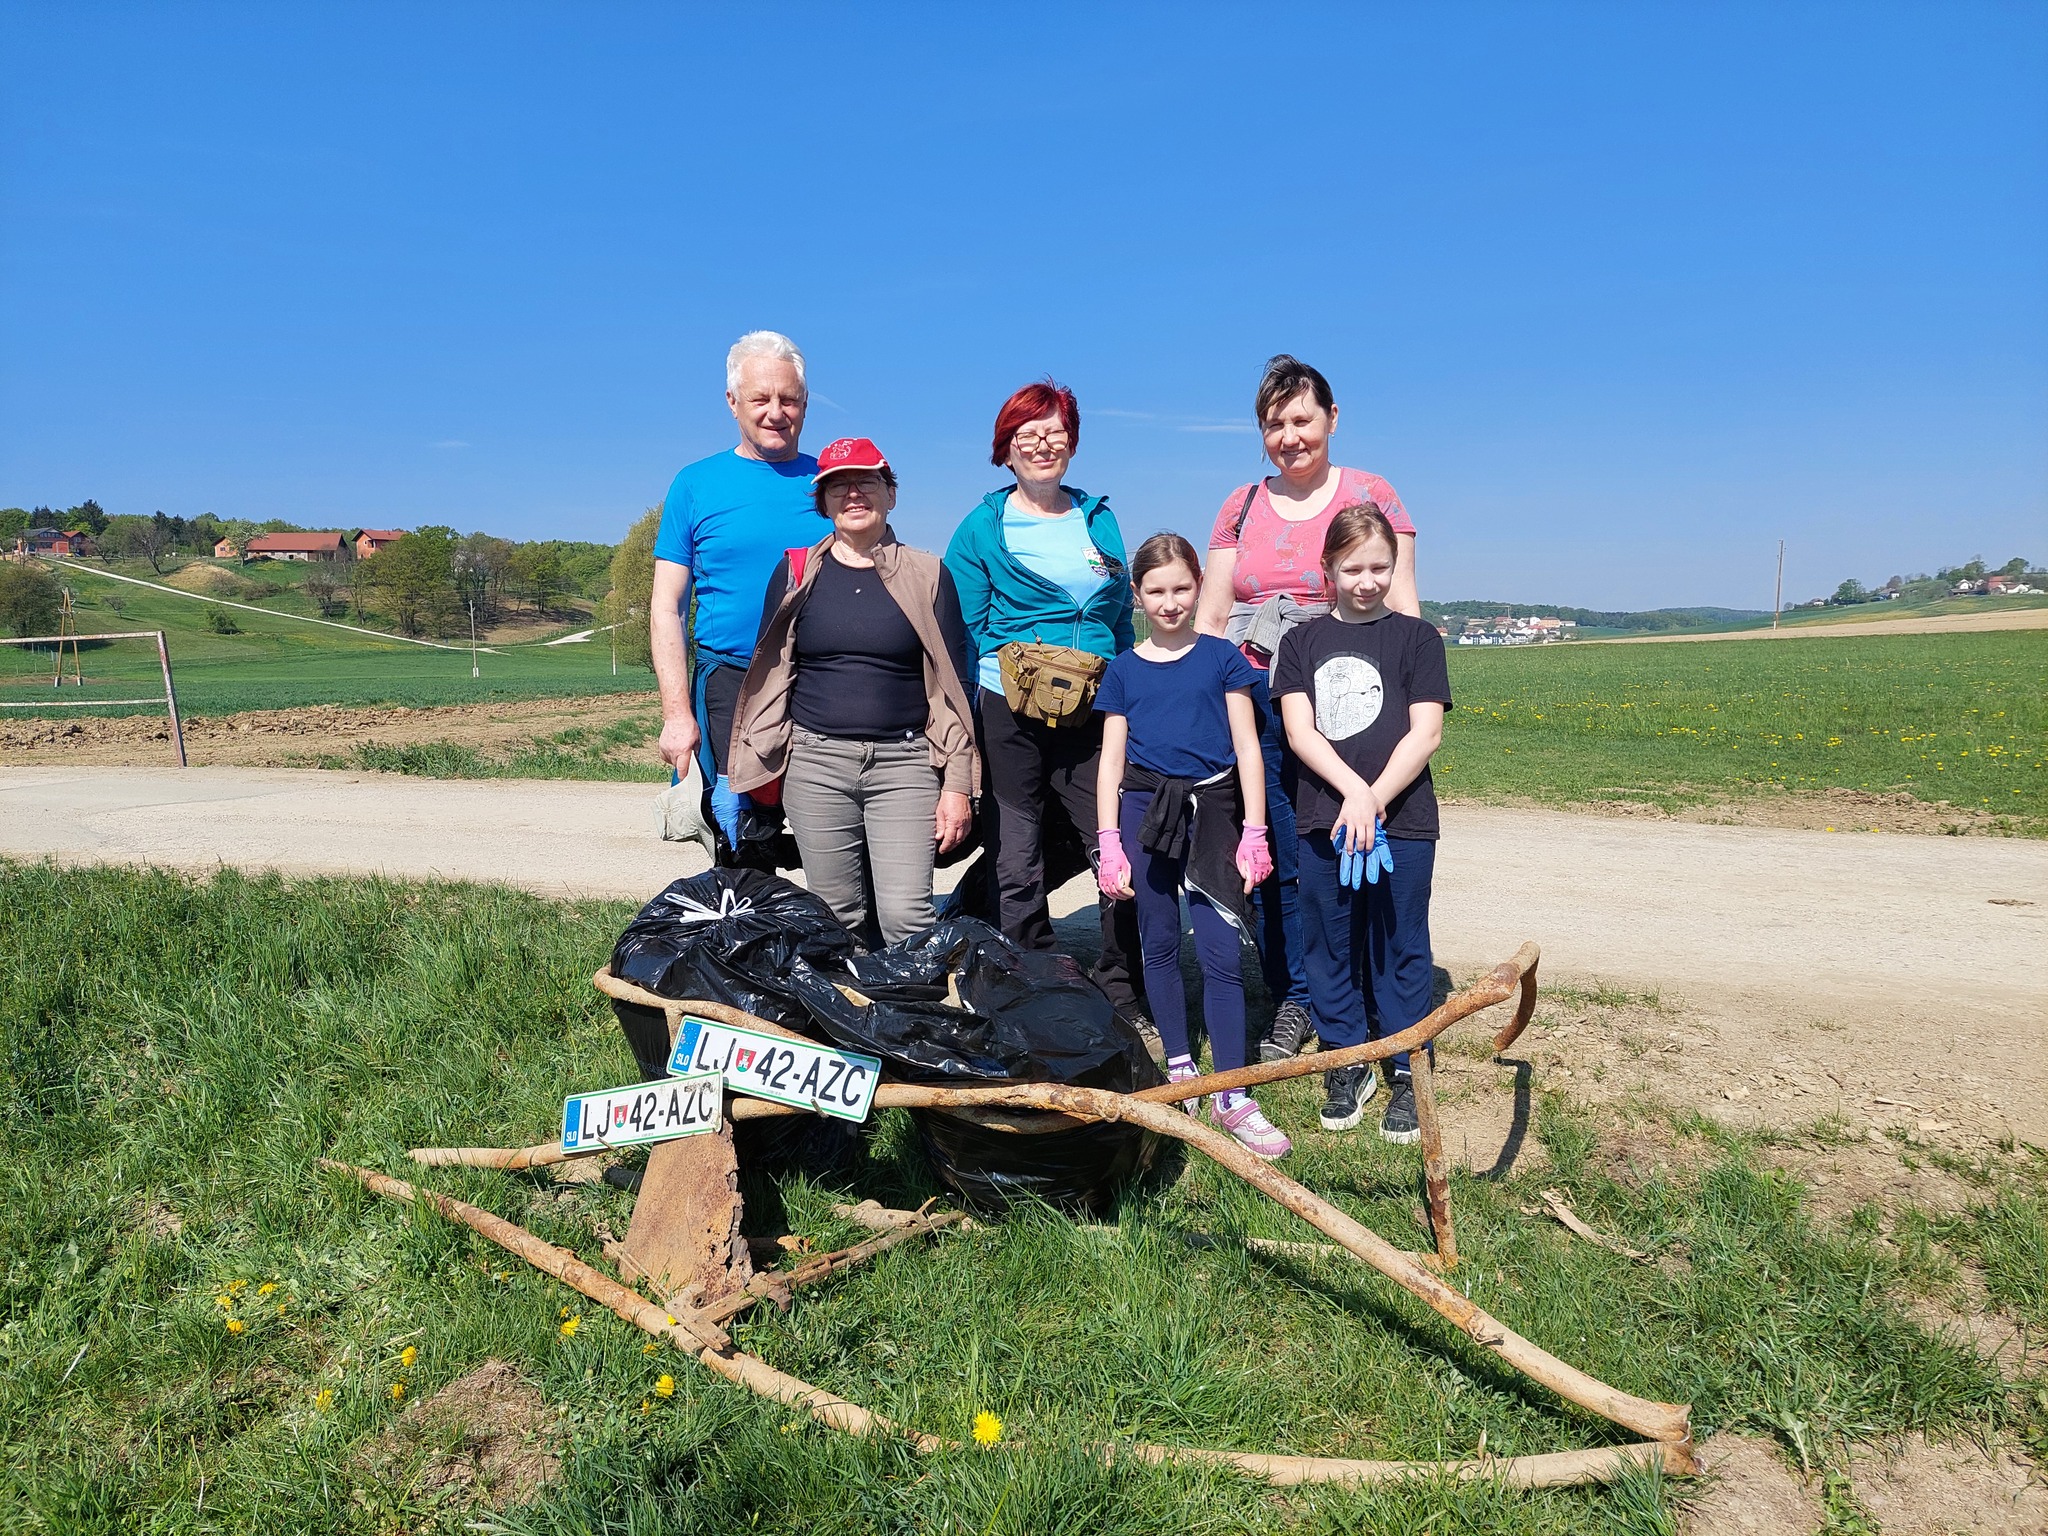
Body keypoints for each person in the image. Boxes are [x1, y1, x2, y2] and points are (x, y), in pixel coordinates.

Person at [1195, 354, 1422, 1066]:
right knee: (1277, 851)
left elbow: (1403, 605)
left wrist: (1410, 703)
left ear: (1332, 418)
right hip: (1258, 703)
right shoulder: (1240, 506)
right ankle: (1298, 994)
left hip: (1353, 704)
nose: (1289, 436)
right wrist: (1203, 699)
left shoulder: (1373, 493)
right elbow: (1213, 614)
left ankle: (1369, 990)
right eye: (1274, 424)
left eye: (1302, 419)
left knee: (1353, 839)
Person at [944, 380, 1149, 1027]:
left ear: (1072, 442)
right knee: (1018, 850)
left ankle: (1122, 989)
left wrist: (1132, 689)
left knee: (1118, 842)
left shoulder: (1099, 517)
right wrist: (968, 724)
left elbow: (1119, 619)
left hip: (1095, 706)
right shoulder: (982, 527)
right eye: (1026, 433)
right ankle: (1031, 982)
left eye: (1054, 432)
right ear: (1006, 448)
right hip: (1010, 706)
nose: (1041, 444)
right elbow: (963, 630)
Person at [727, 438, 979, 944]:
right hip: (815, 764)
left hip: (905, 764)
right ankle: (850, 997)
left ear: (891, 494)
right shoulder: (796, 571)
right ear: (823, 502)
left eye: (867, 481)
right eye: (838, 485)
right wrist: (753, 760)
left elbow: (955, 689)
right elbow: (768, 676)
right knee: (834, 916)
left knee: (907, 917)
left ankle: (911, 997)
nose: (854, 494)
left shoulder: (929, 574)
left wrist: (956, 785)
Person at [1095, 533, 1287, 1158]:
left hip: (1215, 811)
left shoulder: (1223, 658)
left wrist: (1254, 831)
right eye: (1156, 590)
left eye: (1181, 588)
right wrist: (1108, 840)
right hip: (1143, 812)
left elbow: (1248, 748)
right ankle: (1180, 1064)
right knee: (1157, 942)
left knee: (1220, 951)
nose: (1170, 602)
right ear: (1137, 595)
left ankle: (1232, 1091)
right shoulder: (1123, 670)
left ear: (1199, 587)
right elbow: (1111, 762)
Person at [1270, 504, 1451, 1142]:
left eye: (1379, 567)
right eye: (1352, 569)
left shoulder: (1419, 640)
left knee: (1401, 940)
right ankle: (1346, 1057)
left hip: (1404, 819)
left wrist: (1374, 799)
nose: (1367, 581)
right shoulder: (1300, 643)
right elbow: (1299, 731)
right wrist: (1352, 792)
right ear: (1328, 569)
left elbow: (1426, 733)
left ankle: (1405, 1063)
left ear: (1394, 566)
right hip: (1325, 817)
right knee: (1328, 940)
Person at [650, 330, 820, 863]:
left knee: (833, 828)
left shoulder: (834, 483)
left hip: (822, 679)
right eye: (760, 398)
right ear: (732, 402)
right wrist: (677, 715)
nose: (776, 412)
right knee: (742, 837)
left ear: (805, 402)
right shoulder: (695, 484)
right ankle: (750, 911)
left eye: (789, 399)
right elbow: (667, 608)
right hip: (731, 681)